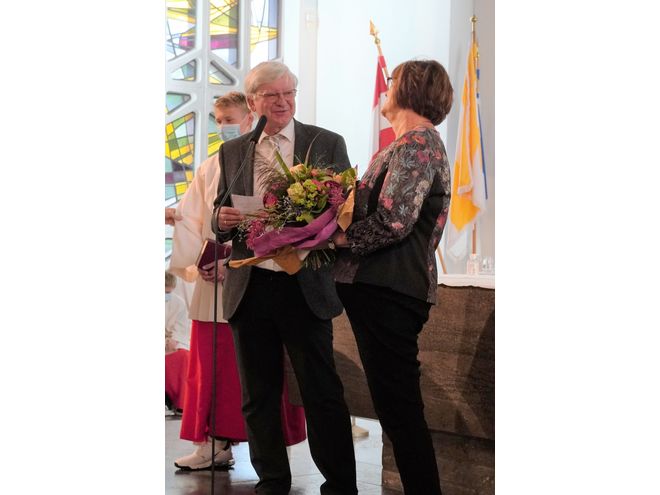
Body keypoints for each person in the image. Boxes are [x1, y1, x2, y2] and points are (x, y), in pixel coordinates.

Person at [213, 61, 357, 494]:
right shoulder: (234, 150)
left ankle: (340, 486)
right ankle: (272, 481)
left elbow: (345, 210)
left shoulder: (326, 142)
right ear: (253, 101)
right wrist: (220, 220)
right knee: (258, 396)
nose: (283, 102)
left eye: (288, 93)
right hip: (251, 285)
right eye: (272, 95)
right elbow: (219, 211)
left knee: (321, 392)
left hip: (304, 285)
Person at [331, 59, 454, 494]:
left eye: (394, 79)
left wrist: (334, 239)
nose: (387, 86)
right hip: (379, 288)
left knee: (400, 410)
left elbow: (395, 221)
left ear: (412, 89)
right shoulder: (401, 144)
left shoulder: (418, 143)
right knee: (394, 407)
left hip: (392, 288)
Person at [168, 91, 307, 471]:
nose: (223, 127)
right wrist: (198, 261)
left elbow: (278, 220)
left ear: (250, 117)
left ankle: (274, 449)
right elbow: (193, 217)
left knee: (261, 369)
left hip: (258, 278)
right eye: (218, 120)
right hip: (213, 282)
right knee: (212, 369)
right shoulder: (211, 165)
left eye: (229, 119)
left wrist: (236, 260)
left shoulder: (271, 161)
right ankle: (212, 443)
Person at [165, 271, 191, 413]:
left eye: (169, 292)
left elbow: (182, 326)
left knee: (184, 357)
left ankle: (180, 401)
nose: (166, 295)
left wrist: (174, 339)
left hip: (173, 341)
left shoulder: (178, 303)